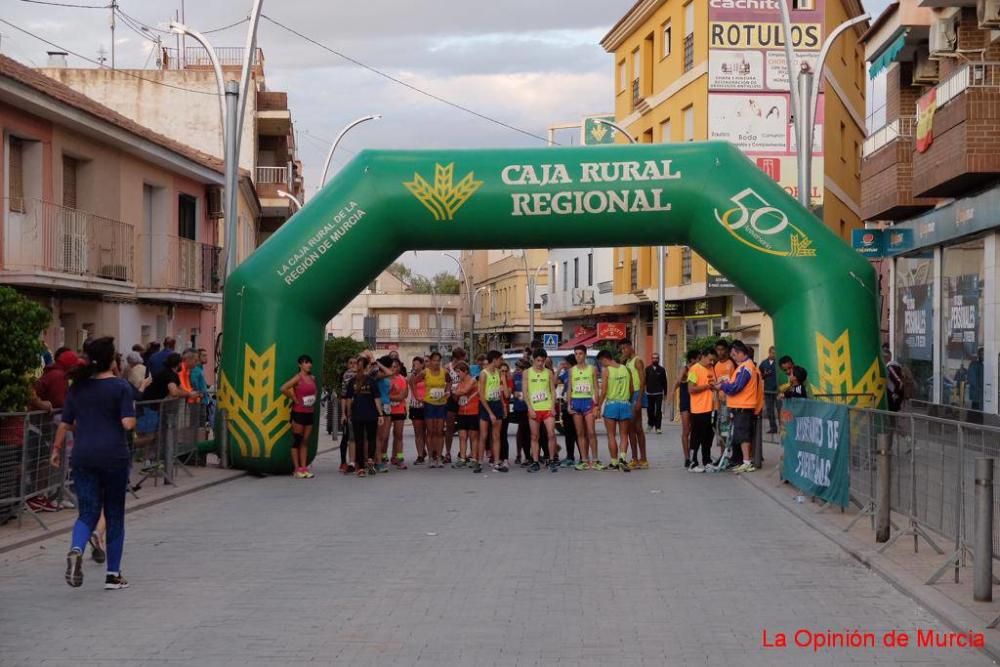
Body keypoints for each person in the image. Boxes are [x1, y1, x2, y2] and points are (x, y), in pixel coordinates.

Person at [51, 337, 135, 590]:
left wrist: (56, 450)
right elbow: (127, 423)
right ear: (112, 360)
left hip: (83, 455)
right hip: (113, 456)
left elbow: (65, 423)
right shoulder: (121, 387)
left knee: (87, 511)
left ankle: (76, 548)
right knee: (114, 514)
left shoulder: (77, 387)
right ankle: (113, 575)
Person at [716, 340, 763, 473]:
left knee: (743, 436)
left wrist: (722, 386)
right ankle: (743, 460)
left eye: (734, 354)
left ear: (741, 353)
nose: (733, 357)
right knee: (740, 435)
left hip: (744, 406)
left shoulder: (746, 368)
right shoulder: (743, 367)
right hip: (739, 406)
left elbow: (737, 386)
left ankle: (747, 462)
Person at [280, 355, 318, 479]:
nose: (309, 365)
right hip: (298, 412)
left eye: (309, 363)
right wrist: (294, 398)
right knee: (297, 440)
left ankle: (304, 467)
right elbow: (283, 388)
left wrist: (314, 398)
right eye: (306, 362)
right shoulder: (298, 378)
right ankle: (297, 469)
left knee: (305, 441)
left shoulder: (312, 378)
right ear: (300, 365)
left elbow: (315, 391)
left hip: (309, 412)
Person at [346, 356, 384, 477]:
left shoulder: (371, 381)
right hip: (359, 415)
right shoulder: (353, 381)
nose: (359, 367)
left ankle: (368, 462)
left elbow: (376, 398)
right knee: (362, 440)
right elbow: (348, 398)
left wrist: (380, 414)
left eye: (360, 364)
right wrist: (347, 413)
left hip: (368, 414)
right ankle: (363, 465)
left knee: (367, 439)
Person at [595, 350, 632, 473]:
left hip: (612, 405)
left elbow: (604, 391)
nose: (601, 365)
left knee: (611, 435)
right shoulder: (626, 369)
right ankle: (622, 458)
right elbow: (631, 389)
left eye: (601, 362)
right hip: (625, 403)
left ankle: (614, 462)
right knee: (624, 435)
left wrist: (598, 405)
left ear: (605, 359)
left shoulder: (607, 371)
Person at [526, 349, 558, 473]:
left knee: (551, 434)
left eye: (542, 361)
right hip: (534, 408)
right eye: (538, 360)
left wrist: (553, 407)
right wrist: (529, 408)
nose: (540, 363)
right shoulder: (527, 373)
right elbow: (525, 392)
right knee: (535, 436)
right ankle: (535, 461)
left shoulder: (548, 373)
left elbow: (552, 390)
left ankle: (551, 460)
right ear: (533, 360)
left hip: (547, 407)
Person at [569, 345, 600, 470]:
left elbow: (596, 388)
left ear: (585, 355)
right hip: (576, 402)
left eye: (580, 353)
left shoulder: (592, 369)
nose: (578, 356)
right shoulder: (572, 370)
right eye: (576, 354)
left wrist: (597, 405)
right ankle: (584, 459)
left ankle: (595, 459)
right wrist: (568, 405)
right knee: (580, 433)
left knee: (591, 432)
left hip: (588, 401)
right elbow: (570, 388)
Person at [687, 348, 716, 472]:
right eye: (709, 359)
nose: (711, 362)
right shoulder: (694, 369)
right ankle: (693, 462)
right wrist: (706, 386)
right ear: (703, 356)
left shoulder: (711, 368)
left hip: (710, 408)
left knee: (708, 436)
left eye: (713, 360)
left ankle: (707, 460)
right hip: (698, 409)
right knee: (696, 437)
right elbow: (691, 389)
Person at [479, 351, 508, 472]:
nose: (501, 362)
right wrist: (490, 413)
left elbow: (499, 391)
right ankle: (479, 462)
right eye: (500, 360)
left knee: (497, 435)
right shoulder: (484, 373)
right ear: (494, 360)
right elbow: (481, 395)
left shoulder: (498, 372)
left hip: (496, 404)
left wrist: (503, 405)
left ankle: (496, 462)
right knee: (484, 435)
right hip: (486, 405)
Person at [619, 341, 646, 468]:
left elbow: (642, 381)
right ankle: (639, 459)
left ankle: (639, 458)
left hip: (636, 394)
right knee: (636, 427)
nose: (623, 350)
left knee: (632, 427)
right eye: (621, 349)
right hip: (629, 395)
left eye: (624, 348)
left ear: (630, 347)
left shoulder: (637, 360)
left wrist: (639, 399)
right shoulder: (627, 362)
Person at [419, 351, 449, 468]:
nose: (436, 363)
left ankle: (439, 457)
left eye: (438, 360)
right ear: (430, 361)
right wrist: (418, 395)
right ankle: (431, 457)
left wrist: (448, 391)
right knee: (430, 431)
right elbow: (412, 381)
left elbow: (450, 381)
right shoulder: (425, 372)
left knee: (440, 431)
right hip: (429, 403)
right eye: (434, 360)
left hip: (441, 404)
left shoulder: (444, 372)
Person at [452, 362, 482, 473]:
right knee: (462, 436)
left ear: (465, 371)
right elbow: (456, 397)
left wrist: (454, 391)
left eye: (459, 372)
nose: (457, 374)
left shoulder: (473, 380)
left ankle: (474, 458)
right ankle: (462, 458)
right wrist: (455, 393)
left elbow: (465, 391)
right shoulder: (460, 383)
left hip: (473, 411)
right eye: (456, 372)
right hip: (462, 412)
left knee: (473, 436)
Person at [714, 339, 736, 465]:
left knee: (729, 429)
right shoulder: (716, 366)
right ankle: (723, 455)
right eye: (718, 349)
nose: (720, 352)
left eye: (722, 349)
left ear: (726, 350)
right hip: (720, 402)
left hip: (730, 402)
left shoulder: (731, 364)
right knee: (721, 428)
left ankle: (731, 455)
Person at [443, 348, 467, 464]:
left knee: (464, 427)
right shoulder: (447, 368)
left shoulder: (465, 367)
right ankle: (447, 452)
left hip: (462, 397)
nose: (464, 360)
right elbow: (445, 383)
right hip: (451, 399)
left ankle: (462, 452)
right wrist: (450, 391)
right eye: (463, 358)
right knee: (450, 427)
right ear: (458, 357)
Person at [675, 350, 699, 469]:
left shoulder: (700, 370)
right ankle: (687, 457)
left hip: (696, 402)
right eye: (698, 359)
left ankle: (693, 455)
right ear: (692, 359)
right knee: (686, 430)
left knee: (694, 429)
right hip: (685, 402)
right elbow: (678, 381)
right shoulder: (686, 369)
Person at [556, 355, 578, 467]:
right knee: (568, 433)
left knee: (578, 433)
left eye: (565, 363)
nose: (563, 365)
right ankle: (570, 456)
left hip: (576, 405)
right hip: (565, 406)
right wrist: (559, 369)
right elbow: (555, 382)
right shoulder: (565, 373)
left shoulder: (576, 372)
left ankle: (583, 457)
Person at [387, 359, 409, 469]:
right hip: (387, 410)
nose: (394, 369)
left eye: (396, 366)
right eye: (392, 366)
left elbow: (402, 396)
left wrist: (389, 396)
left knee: (398, 434)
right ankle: (383, 456)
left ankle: (399, 457)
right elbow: (382, 395)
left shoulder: (402, 379)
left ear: (399, 368)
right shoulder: (385, 379)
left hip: (399, 409)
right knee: (384, 435)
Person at [509, 359, 531, 465]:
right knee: (521, 431)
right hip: (519, 407)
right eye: (517, 367)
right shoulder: (516, 376)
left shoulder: (529, 376)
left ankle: (530, 455)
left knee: (528, 432)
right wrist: (515, 393)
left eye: (520, 368)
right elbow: (512, 389)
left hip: (529, 408)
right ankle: (519, 454)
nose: (518, 370)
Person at [339, 357, 358, 473]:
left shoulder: (362, 375)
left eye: (355, 363)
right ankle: (343, 462)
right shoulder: (347, 376)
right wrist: (343, 413)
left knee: (354, 437)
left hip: (359, 409)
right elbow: (344, 396)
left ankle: (354, 461)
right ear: (347, 365)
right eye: (350, 363)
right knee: (347, 437)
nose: (353, 365)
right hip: (349, 410)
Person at [408, 356, 427, 466]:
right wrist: (413, 373)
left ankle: (430, 452)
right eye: (413, 363)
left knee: (428, 431)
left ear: (422, 364)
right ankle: (420, 454)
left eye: (417, 363)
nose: (415, 366)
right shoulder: (412, 376)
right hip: (416, 405)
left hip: (427, 404)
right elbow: (410, 383)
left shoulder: (427, 375)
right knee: (418, 432)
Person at [644, 352, 668, 434]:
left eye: (656, 358)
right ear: (651, 359)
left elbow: (665, 382)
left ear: (658, 359)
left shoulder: (662, 370)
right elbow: (644, 381)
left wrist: (665, 393)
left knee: (658, 410)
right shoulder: (647, 369)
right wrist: (643, 391)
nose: (655, 359)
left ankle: (658, 427)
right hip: (649, 393)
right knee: (650, 410)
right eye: (653, 358)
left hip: (658, 393)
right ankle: (650, 424)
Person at [759, 346, 778, 434]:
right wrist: (764, 374)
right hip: (767, 390)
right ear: (769, 353)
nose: (773, 355)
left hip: (777, 391)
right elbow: (760, 375)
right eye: (772, 353)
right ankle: (773, 427)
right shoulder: (764, 363)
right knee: (770, 410)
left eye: (775, 353)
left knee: (780, 409)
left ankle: (782, 428)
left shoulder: (777, 363)